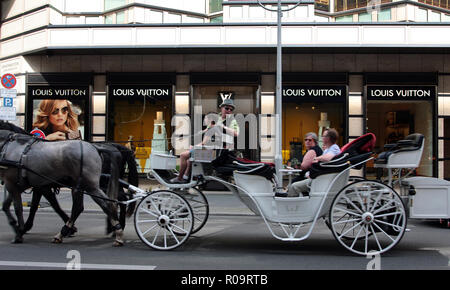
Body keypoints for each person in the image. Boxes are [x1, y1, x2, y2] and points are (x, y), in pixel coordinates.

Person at [170, 99, 240, 183]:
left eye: (231, 109)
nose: (229, 111)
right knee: (190, 157)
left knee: (183, 155)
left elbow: (236, 134)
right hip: (212, 147)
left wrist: (222, 127)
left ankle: (180, 178)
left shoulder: (232, 121)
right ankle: (185, 177)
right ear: (221, 108)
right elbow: (207, 131)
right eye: (227, 108)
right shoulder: (216, 117)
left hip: (218, 151)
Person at [287, 128, 340, 197]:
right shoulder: (328, 149)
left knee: (294, 186)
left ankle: (291, 206)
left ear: (328, 138)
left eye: (323, 136)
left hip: (320, 179)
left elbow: (328, 158)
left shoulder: (334, 148)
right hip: (319, 176)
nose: (322, 138)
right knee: (293, 183)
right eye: (305, 140)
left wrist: (316, 158)